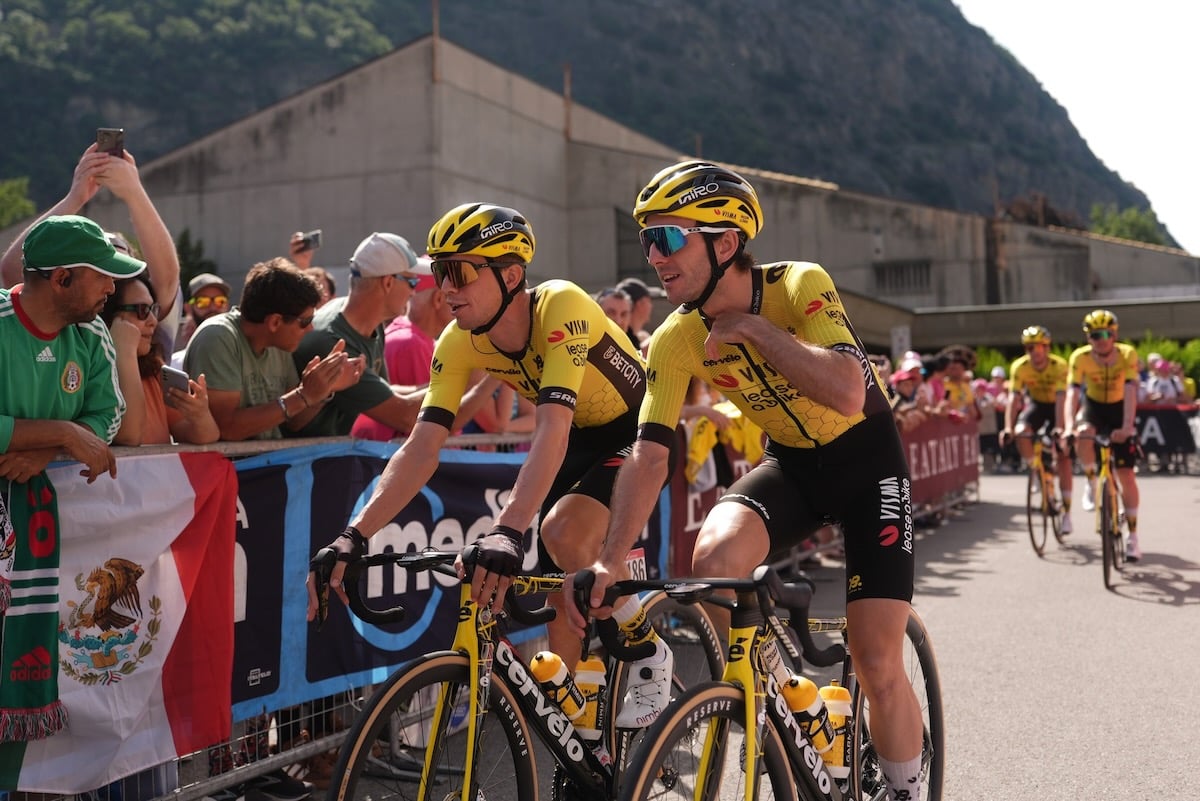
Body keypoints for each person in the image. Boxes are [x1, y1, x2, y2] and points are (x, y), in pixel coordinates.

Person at [570, 160, 927, 800]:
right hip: (791, 466)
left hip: (868, 464)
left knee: (876, 661)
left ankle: (904, 785)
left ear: (726, 242)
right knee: (713, 561)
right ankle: (789, 699)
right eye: (647, 240)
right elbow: (648, 456)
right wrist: (608, 559)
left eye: (668, 238)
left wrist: (753, 329)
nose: (654, 256)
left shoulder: (798, 285)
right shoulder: (675, 339)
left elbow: (850, 391)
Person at [307, 203, 673, 728]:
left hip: (635, 434)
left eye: (459, 273)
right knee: (558, 613)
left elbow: (551, 428)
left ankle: (647, 648)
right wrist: (354, 535)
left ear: (511, 275)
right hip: (577, 442)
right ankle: (583, 739)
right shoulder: (458, 341)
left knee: (562, 531)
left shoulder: (561, 306)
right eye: (439, 272)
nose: (444, 289)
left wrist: (507, 530)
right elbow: (421, 447)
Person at [0, 215, 144, 741]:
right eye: (102, 275)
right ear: (61, 279)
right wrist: (61, 432)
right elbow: (83, 427)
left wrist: (46, 450)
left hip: (38, 528)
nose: (112, 287)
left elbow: (108, 412)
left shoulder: (91, 333)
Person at [1, 143, 180, 349]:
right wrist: (76, 197)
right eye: (101, 271)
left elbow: (167, 278)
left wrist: (134, 192)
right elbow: (16, 268)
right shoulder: (72, 319)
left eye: (117, 266)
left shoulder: (140, 301)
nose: (111, 286)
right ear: (62, 278)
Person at [183, 258, 363, 441]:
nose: (310, 329)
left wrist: (322, 389)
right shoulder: (218, 337)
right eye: (305, 321)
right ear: (275, 322)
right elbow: (226, 428)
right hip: (232, 459)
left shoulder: (278, 343)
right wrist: (303, 395)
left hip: (268, 458)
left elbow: (294, 421)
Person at [288, 233, 428, 437]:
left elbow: (386, 392)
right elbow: (405, 417)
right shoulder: (332, 340)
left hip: (323, 452)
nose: (413, 292)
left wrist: (449, 382)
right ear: (388, 283)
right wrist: (462, 381)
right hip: (301, 455)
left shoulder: (368, 321)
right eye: (412, 282)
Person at [101, 273, 220, 445]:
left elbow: (205, 437)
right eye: (142, 310)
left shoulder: (154, 368)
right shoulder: (90, 367)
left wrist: (200, 415)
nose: (153, 321)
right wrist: (125, 352)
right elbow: (130, 437)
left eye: (153, 310)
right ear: (109, 314)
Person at [1063, 309, 1142, 561]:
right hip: (1094, 407)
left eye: (1106, 334)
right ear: (1089, 338)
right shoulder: (1080, 357)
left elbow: (1131, 391)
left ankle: (1133, 537)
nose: (1101, 340)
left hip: (1120, 408)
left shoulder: (1127, 354)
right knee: (1082, 433)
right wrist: (1068, 426)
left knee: (1126, 475)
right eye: (1096, 335)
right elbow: (1072, 394)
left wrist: (1127, 427)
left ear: (1114, 335)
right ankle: (1091, 480)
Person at [1001, 325, 1074, 532]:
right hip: (1037, 405)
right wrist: (1007, 427)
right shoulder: (1020, 366)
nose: (1035, 352)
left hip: (1057, 405)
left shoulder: (1059, 365)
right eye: (1030, 347)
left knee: (1063, 456)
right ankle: (1035, 468)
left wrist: (1059, 428)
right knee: (1021, 431)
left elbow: (1062, 398)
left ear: (1047, 347)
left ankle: (1067, 514)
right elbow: (1014, 399)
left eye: (1039, 347)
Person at [173, 272, 232, 358]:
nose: (213, 307)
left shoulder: (242, 353)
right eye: (203, 302)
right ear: (188, 308)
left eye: (220, 301)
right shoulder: (177, 362)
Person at [615, 276, 656, 346]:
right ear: (640, 304)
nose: (651, 306)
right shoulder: (624, 341)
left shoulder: (639, 338)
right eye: (649, 301)